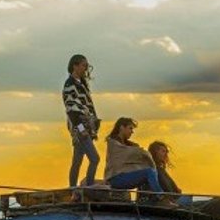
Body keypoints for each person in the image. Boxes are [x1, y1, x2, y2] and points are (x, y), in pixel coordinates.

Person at [63, 54, 101, 188]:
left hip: (86, 127)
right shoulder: (70, 85)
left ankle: (72, 189)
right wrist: (81, 128)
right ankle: (89, 187)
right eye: (83, 65)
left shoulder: (81, 84)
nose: (85, 68)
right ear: (75, 66)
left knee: (77, 161)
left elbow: (87, 106)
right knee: (95, 158)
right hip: (80, 127)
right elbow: (71, 110)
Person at [103, 117, 163, 192]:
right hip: (115, 178)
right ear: (122, 127)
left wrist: (140, 151)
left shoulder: (129, 145)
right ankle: (160, 195)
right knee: (149, 172)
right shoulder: (113, 143)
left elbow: (135, 153)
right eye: (130, 128)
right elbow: (131, 153)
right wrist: (142, 152)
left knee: (149, 172)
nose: (132, 132)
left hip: (124, 177)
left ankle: (150, 196)